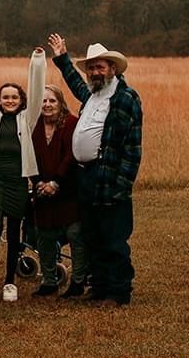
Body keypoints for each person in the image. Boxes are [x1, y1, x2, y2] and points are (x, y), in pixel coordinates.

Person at [48, 36, 142, 305]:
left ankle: (118, 290)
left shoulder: (125, 98)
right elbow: (75, 83)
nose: (94, 72)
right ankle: (99, 287)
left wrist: (121, 185)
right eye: (90, 68)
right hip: (85, 175)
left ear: (113, 68)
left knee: (113, 236)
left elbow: (132, 148)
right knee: (92, 233)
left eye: (99, 67)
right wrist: (63, 58)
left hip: (109, 175)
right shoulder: (93, 94)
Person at [0, 47, 47, 302]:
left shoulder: (27, 120)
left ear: (21, 100)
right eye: (5, 97)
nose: (10, 101)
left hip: (18, 181)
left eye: (14, 97)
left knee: (15, 230)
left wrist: (37, 61)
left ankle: (9, 283)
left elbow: (38, 93)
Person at [31, 85, 90, 297]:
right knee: (44, 235)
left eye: (52, 101)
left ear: (60, 102)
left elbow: (72, 155)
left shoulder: (72, 123)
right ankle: (49, 281)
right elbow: (29, 157)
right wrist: (38, 182)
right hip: (42, 190)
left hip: (68, 188)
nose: (47, 105)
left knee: (75, 233)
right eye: (43, 101)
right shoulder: (34, 125)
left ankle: (77, 281)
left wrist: (55, 182)